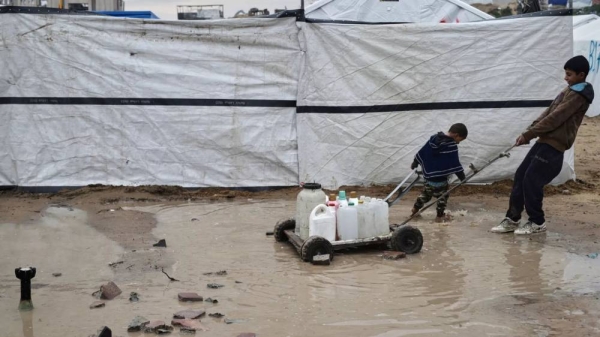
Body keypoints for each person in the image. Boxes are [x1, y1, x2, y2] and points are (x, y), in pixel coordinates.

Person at [492, 55, 595, 235]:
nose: (566, 77)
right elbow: (548, 112)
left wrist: (531, 133)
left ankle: (537, 222)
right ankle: (513, 218)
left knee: (532, 180)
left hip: (555, 145)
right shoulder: (569, 90)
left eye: (569, 74)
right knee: (520, 175)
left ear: (581, 75)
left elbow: (556, 118)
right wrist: (529, 131)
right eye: (565, 74)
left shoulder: (579, 96)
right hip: (544, 140)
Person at [411, 123, 468, 223]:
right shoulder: (451, 145)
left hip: (429, 177)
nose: (458, 143)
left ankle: (415, 209)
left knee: (426, 195)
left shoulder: (433, 139)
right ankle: (439, 216)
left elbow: (424, 151)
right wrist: (462, 177)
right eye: (460, 140)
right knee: (442, 197)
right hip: (441, 178)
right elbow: (455, 163)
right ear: (456, 135)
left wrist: (416, 161)